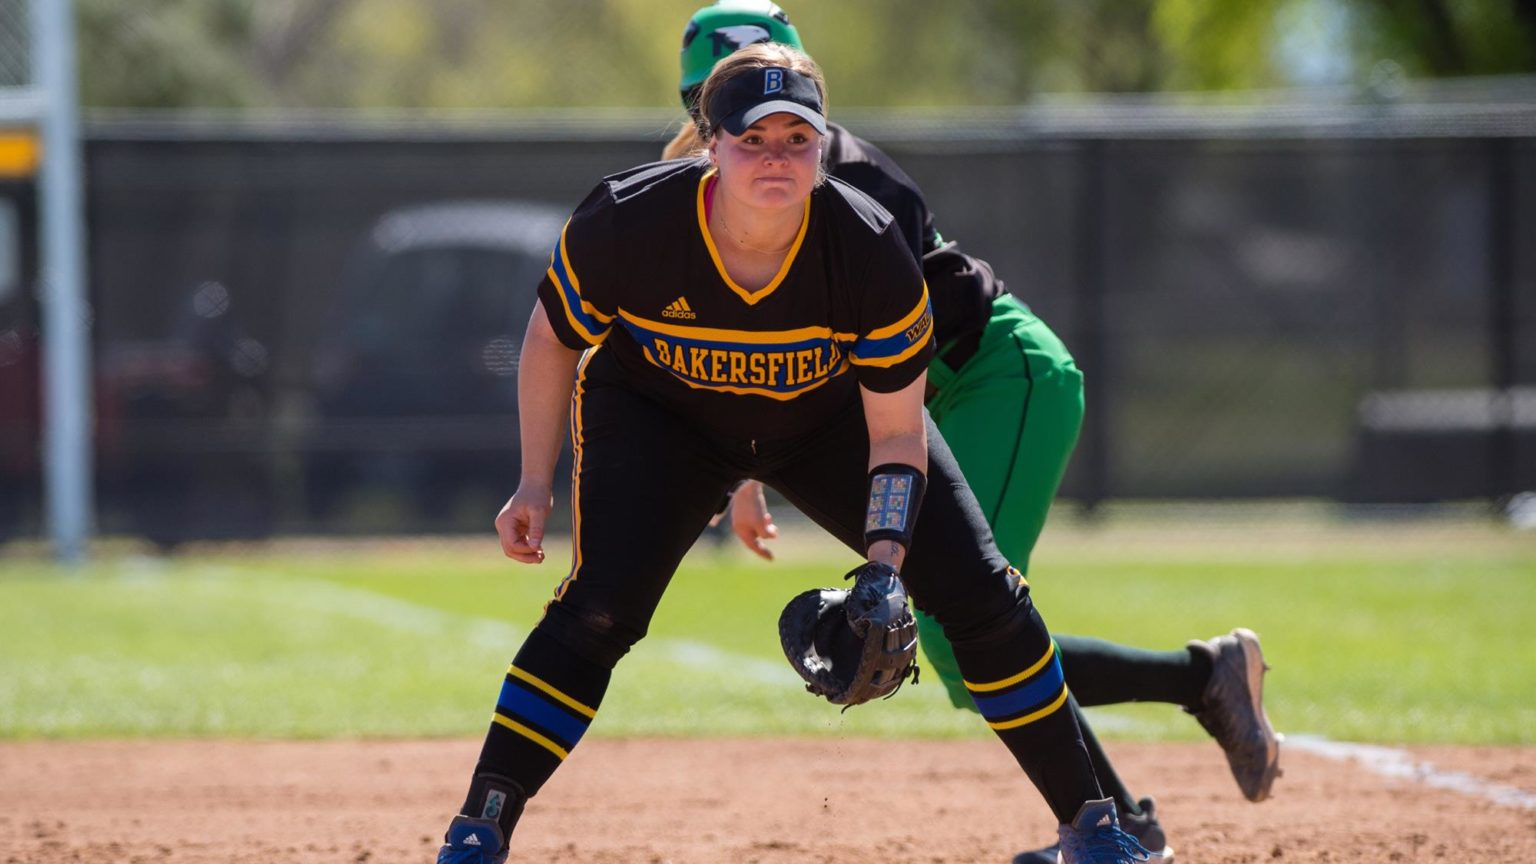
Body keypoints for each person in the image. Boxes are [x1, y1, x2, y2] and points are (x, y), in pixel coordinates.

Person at [437, 43, 1163, 864]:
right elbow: (550, 338)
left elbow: (894, 431)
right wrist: (534, 479)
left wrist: (887, 563)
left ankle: (1096, 828)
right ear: (711, 142)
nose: (776, 158)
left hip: (827, 423)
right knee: (598, 610)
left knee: (983, 595)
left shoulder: (870, 246)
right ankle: (479, 828)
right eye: (754, 138)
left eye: (797, 138)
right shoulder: (627, 220)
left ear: (824, 145)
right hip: (662, 415)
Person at [667, 4, 1282, 861]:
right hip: (945, 401)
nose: (767, 134)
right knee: (969, 643)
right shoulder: (749, 190)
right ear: (707, 113)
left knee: (971, 625)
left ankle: (1138, 791)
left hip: (1000, 376)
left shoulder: (836, 178)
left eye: (785, 111)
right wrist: (746, 472)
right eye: (733, 108)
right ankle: (1173, 728)